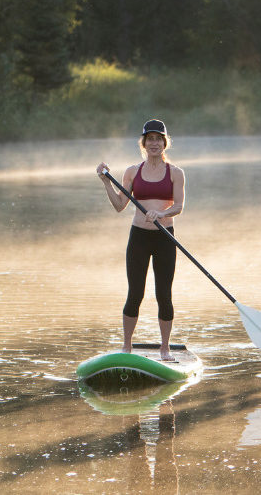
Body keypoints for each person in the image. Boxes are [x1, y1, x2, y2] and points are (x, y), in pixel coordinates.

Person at [96, 119, 185, 361]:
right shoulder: (132, 172)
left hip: (165, 237)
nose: (154, 143)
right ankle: (127, 346)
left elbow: (178, 206)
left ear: (164, 143)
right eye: (150, 139)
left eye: (159, 139)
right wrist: (106, 182)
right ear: (144, 143)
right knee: (135, 292)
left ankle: (164, 349)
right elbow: (119, 205)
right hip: (139, 237)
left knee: (163, 294)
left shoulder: (176, 173)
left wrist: (162, 213)